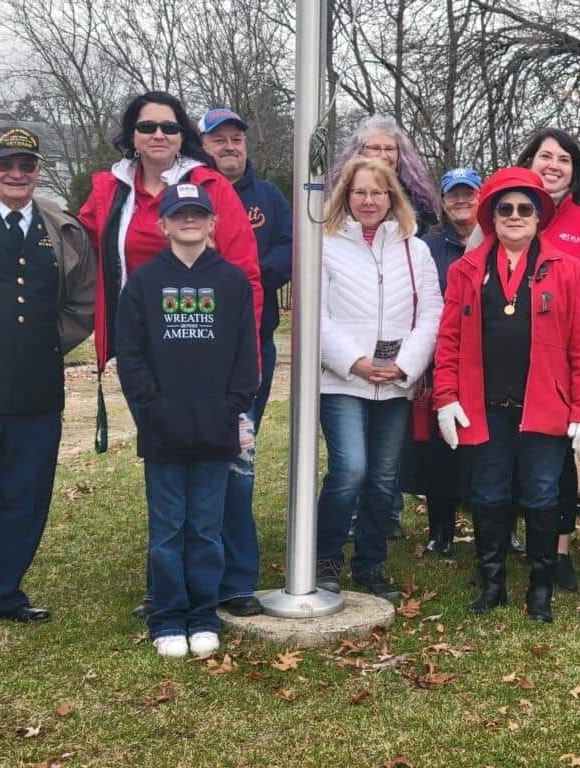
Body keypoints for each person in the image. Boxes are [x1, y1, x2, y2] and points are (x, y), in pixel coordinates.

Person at [79, 91, 262, 620]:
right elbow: (77, 250)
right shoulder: (111, 190)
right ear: (130, 136)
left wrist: (238, 370)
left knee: (227, 474)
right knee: (166, 477)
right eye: (146, 127)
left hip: (216, 362)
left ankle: (228, 583)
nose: (158, 135)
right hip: (149, 362)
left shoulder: (210, 188)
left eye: (169, 127)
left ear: (183, 134)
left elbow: (246, 273)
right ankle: (165, 590)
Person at [434, 167, 580, 623]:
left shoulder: (565, 269)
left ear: (538, 216)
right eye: (504, 208)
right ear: (490, 215)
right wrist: (445, 397)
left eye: (524, 208)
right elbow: (447, 341)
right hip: (484, 407)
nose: (514, 216)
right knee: (488, 494)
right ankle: (492, 586)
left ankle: (540, 591)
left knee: (544, 495)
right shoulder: (465, 270)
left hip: (544, 408)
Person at [116, 183, 258, 659]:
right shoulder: (144, 281)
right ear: (164, 224)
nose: (190, 221)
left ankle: (203, 615)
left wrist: (231, 406)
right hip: (164, 430)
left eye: (199, 214)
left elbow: (246, 357)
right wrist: (152, 407)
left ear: (212, 223)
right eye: (180, 215)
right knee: (168, 531)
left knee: (205, 528)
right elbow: (131, 355)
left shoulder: (233, 282)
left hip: (216, 428)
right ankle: (168, 617)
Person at [0, 126, 95, 622]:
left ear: (38, 170)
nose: (16, 173)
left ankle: (4, 594)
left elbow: (83, 303)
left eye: (26, 165)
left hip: (37, 391)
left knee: (23, 500)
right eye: (5, 163)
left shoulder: (60, 228)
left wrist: (46, 346)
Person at [315, 156, 442, 599]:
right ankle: (326, 558)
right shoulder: (324, 244)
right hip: (342, 379)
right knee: (350, 468)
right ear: (345, 196)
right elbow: (316, 316)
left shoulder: (416, 248)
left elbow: (431, 313)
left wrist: (406, 365)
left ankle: (371, 565)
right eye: (359, 192)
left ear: (392, 197)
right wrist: (354, 361)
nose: (369, 201)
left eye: (378, 192)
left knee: (384, 478)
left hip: (394, 381)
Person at [199, 107, 293, 617]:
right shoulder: (189, 192)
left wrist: (244, 278)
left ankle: (237, 580)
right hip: (188, 355)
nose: (230, 146)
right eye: (219, 139)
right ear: (203, 145)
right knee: (187, 458)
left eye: (237, 138)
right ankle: (182, 575)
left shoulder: (269, 199)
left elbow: (290, 248)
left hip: (251, 351)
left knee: (240, 460)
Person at [515, 127, 580, 591]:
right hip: (506, 367)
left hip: (560, 369)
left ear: (574, 173)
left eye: (564, 160)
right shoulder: (503, 214)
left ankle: (558, 551)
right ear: (528, 162)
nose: (553, 165)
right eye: (544, 156)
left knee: (560, 461)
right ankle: (513, 542)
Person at [408, 168, 483, 556]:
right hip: (439, 358)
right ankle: (441, 529)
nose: (461, 201)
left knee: (488, 448)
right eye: (453, 195)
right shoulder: (427, 246)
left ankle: (499, 524)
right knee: (439, 450)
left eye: (468, 194)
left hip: (486, 361)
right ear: (442, 200)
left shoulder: (495, 238)